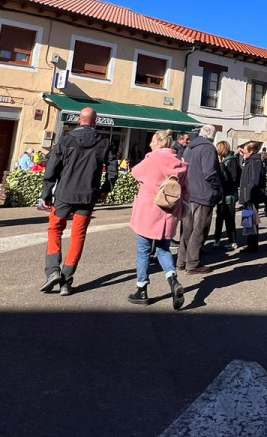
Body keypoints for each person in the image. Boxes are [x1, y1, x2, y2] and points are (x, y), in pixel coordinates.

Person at [39, 107, 120, 295]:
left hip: (64, 195)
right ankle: (66, 280)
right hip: (87, 196)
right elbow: (113, 169)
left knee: (55, 229)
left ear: (79, 120)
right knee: (78, 235)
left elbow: (51, 169)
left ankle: (52, 271)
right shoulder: (104, 142)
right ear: (95, 121)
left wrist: (46, 193)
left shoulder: (66, 140)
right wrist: (105, 189)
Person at [127, 129, 187, 309]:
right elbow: (187, 190)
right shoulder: (181, 163)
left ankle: (142, 289)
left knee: (143, 250)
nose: (150, 144)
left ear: (160, 143)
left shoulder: (151, 159)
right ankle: (172, 279)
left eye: (153, 141)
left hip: (149, 210)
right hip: (169, 212)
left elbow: (135, 172)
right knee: (163, 249)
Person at [179, 124, 222, 274]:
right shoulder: (208, 148)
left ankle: (182, 261)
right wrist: (217, 188)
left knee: (187, 229)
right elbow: (210, 172)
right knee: (199, 229)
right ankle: (192, 263)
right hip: (203, 194)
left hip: (189, 193)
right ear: (212, 135)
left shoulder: (189, 148)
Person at [237, 141, 267, 253]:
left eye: (245, 151)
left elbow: (254, 181)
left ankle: (252, 245)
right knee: (248, 220)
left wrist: (248, 196)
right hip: (248, 195)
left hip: (251, 196)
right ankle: (250, 243)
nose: (243, 153)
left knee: (251, 220)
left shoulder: (255, 162)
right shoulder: (251, 160)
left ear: (251, 151)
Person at [212, 140, 239, 250]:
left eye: (218, 148)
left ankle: (233, 241)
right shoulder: (224, 160)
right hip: (222, 194)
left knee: (229, 218)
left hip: (229, 195)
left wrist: (222, 166)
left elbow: (233, 178)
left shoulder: (231, 161)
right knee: (219, 218)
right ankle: (217, 239)